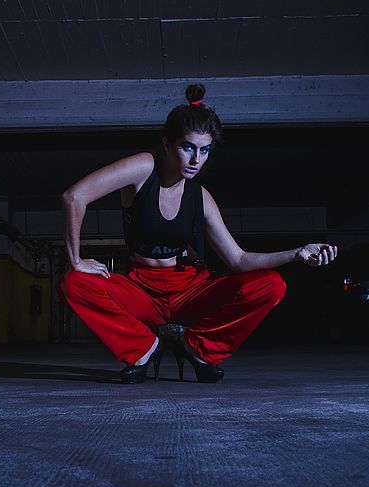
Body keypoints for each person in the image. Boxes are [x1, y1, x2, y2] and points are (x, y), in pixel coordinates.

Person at [58, 84, 337, 383]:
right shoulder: (143, 168)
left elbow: (239, 259)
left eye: (204, 150)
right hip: (141, 289)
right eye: (187, 147)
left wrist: (296, 254)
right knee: (74, 282)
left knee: (271, 285)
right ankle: (143, 348)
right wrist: (76, 259)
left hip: (189, 288)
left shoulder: (201, 197)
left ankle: (197, 348)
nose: (196, 160)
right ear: (166, 144)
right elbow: (74, 197)